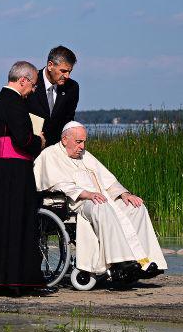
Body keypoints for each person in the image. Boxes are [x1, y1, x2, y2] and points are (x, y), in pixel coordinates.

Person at [34, 121, 167, 283]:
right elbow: (57, 184)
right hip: (76, 203)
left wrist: (124, 194)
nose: (82, 146)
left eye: (84, 142)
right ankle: (119, 264)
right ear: (64, 140)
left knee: (135, 207)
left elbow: (108, 180)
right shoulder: (51, 154)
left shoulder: (85, 155)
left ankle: (144, 262)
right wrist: (86, 194)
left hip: (100, 198)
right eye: (78, 142)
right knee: (100, 206)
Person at [0, 61, 52, 296]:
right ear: (23, 80)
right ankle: (16, 281)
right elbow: (23, 140)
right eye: (33, 85)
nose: (33, 90)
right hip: (14, 171)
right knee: (17, 223)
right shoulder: (14, 103)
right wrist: (41, 141)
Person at [26, 45, 79, 146]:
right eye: (63, 71)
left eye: (69, 71)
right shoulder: (30, 81)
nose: (67, 76)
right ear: (50, 65)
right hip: (30, 147)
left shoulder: (72, 87)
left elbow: (69, 120)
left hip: (58, 149)